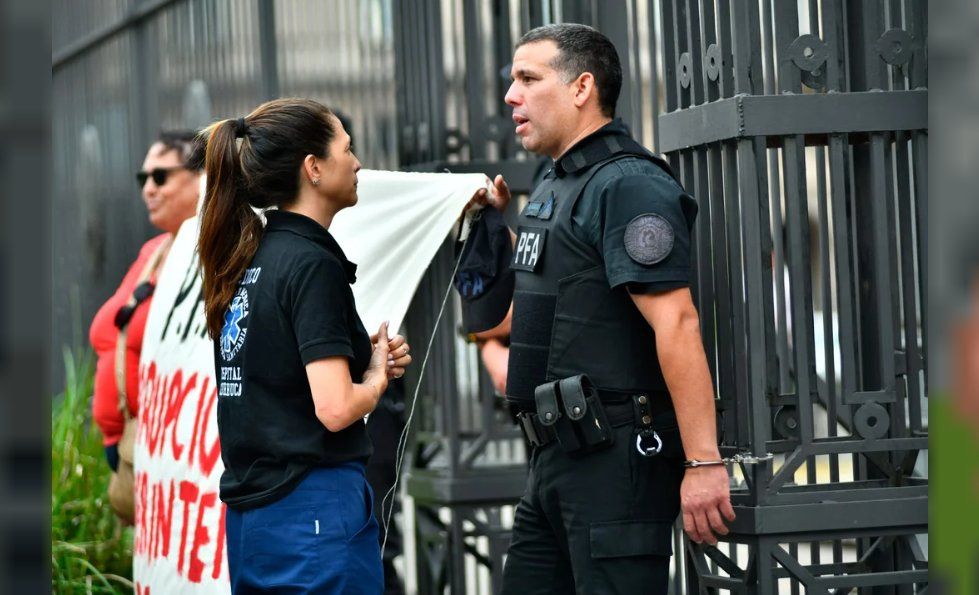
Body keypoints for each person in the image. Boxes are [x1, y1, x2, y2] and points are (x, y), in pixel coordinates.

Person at [462, 24, 735, 593]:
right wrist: (493, 224)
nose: (510, 96)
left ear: (582, 87)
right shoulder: (556, 181)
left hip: (614, 460)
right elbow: (541, 304)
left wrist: (703, 462)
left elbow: (677, 322)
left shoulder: (628, 184)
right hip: (554, 458)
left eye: (528, 78)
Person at [197, 98, 413, 593]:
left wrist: (364, 356)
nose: (357, 163)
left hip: (256, 520)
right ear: (313, 168)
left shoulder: (252, 256)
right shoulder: (310, 263)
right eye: (347, 149)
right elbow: (335, 408)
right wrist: (375, 379)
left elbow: (279, 370)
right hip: (314, 511)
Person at [89, 131, 205, 521]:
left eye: (160, 177)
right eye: (143, 179)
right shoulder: (153, 251)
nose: (148, 190)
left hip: (173, 453)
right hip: (127, 442)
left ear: (201, 177)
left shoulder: (207, 257)